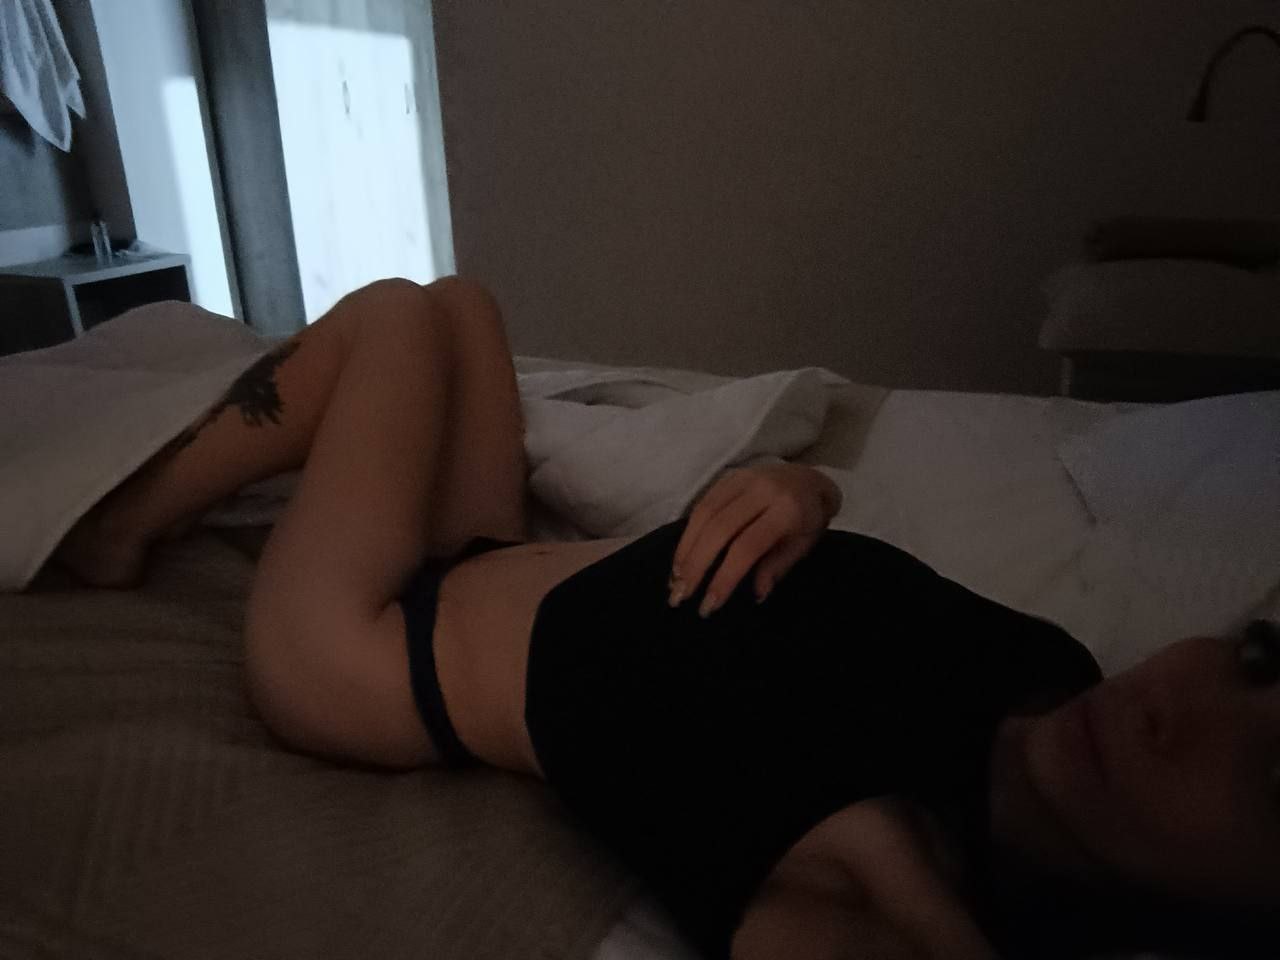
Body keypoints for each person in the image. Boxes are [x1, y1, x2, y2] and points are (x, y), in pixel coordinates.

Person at [53, 277, 1278, 960]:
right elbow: (857, 610)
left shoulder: (894, 881)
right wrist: (803, 489)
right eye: (1253, 659)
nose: (1182, 703)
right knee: (461, 304)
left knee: (391, 318)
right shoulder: (1049, 670)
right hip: (498, 557)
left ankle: (123, 523)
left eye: (1274, 779)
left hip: (373, 656)